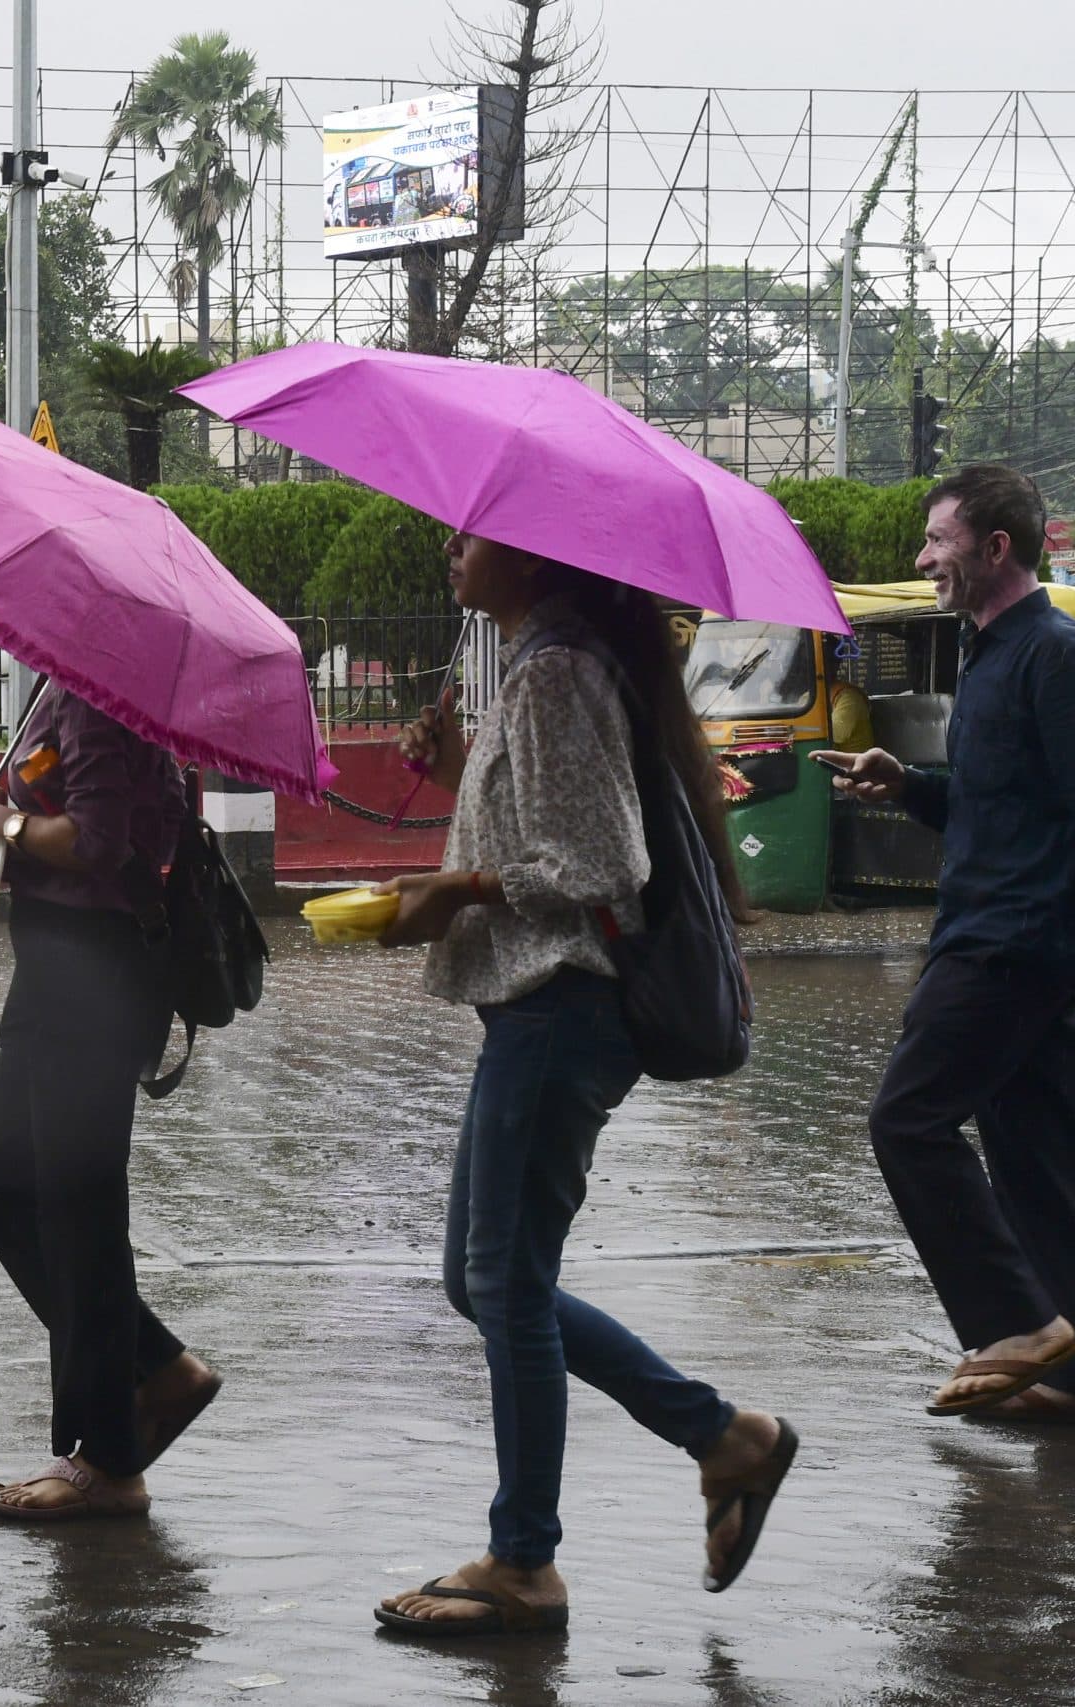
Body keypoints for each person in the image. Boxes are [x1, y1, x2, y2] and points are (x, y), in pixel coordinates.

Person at [371, 533, 795, 1637]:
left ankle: (524, 1561)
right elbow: (554, 828)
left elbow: (605, 870)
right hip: (541, 1010)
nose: (451, 549)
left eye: (472, 538)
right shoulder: (546, 665)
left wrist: (449, 889)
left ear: (531, 558)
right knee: (486, 1282)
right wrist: (469, 762)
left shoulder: (560, 668)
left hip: (562, 1012)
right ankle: (723, 1437)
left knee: (502, 1284)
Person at [817, 464, 1075, 1423]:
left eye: (938, 540)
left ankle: (1017, 1324)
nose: (923, 558)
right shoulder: (992, 652)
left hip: (1010, 945)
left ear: (994, 547)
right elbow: (1002, 802)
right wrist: (911, 783)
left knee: (907, 1122)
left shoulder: (1059, 656)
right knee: (1040, 1167)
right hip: (1001, 931)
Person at [0, 685, 223, 1521]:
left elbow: (99, 842)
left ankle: (109, 1459)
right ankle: (161, 1367)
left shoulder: (102, 696)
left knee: (82, 1214)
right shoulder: (70, 686)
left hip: (92, 976)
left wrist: (3, 824)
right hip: (61, 971)